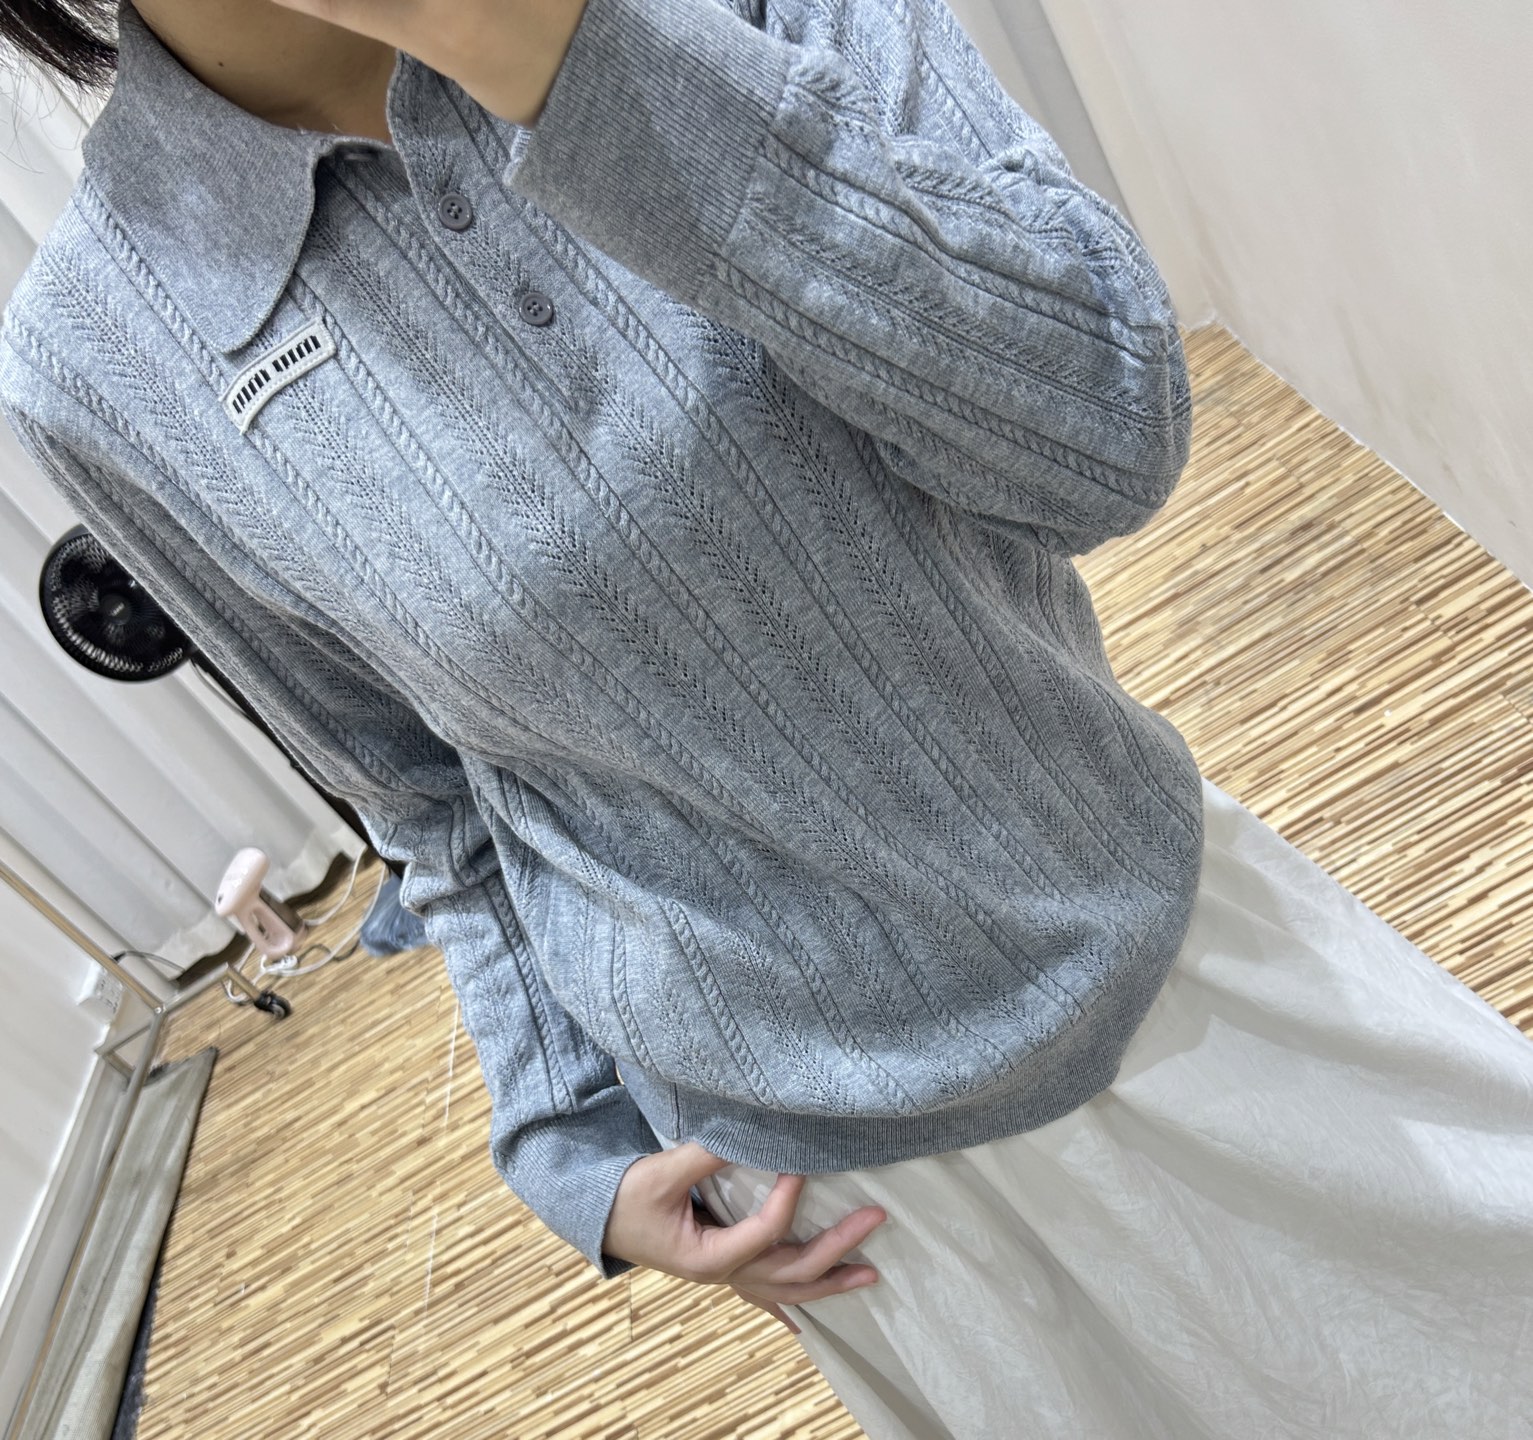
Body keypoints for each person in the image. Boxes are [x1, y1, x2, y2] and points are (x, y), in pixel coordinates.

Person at [1, 1, 1529, 1435]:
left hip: (1150, 929)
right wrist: (564, 1132)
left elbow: (1101, 428)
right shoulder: (96, 353)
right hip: (828, 1182)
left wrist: (571, 64)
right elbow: (426, 797)